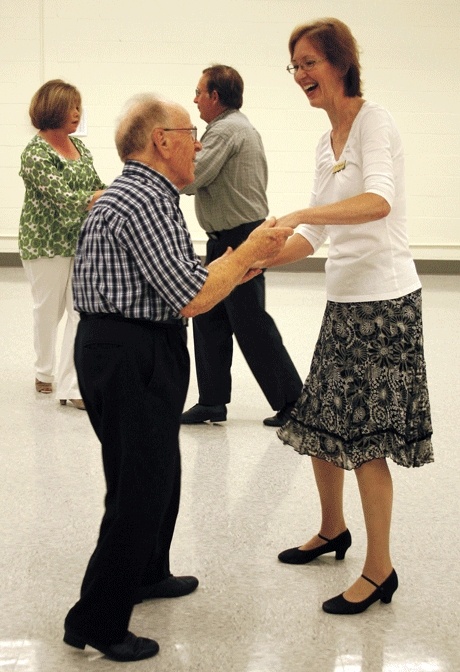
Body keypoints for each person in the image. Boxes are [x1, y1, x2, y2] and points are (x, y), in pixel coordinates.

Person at [63, 93, 293, 662]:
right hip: (129, 352)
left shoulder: (147, 195)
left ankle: (147, 573)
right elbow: (191, 296)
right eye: (191, 132)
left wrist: (238, 263)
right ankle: (95, 619)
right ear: (161, 141)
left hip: (127, 346)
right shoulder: (144, 199)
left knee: (154, 473)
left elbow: (185, 276)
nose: (199, 141)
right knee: (140, 488)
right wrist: (245, 254)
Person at [257, 18, 434, 614]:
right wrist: (266, 258)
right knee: (322, 424)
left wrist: (301, 213)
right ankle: (333, 529)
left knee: (367, 441)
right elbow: (313, 232)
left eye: (310, 62)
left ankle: (380, 568)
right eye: (295, 66)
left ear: (339, 63)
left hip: (384, 303)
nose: (301, 75)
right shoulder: (323, 142)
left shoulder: (372, 121)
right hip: (344, 299)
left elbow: (377, 201)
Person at [180, 64, 302, 427]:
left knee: (249, 322)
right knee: (208, 318)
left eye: (199, 92)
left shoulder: (227, 130)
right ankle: (212, 402)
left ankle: (294, 402)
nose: (195, 98)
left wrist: (163, 161)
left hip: (241, 238)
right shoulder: (229, 127)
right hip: (226, 239)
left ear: (215, 97)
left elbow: (193, 176)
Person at [19, 79, 105, 410]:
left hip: (79, 242)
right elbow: (64, 199)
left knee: (80, 311)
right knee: (48, 312)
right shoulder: (35, 153)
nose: (78, 113)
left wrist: (118, 190)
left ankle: (72, 386)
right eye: (72, 106)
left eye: (79, 106)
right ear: (53, 109)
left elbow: (97, 185)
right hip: (45, 244)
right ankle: (44, 371)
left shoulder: (80, 148)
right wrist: (97, 197)